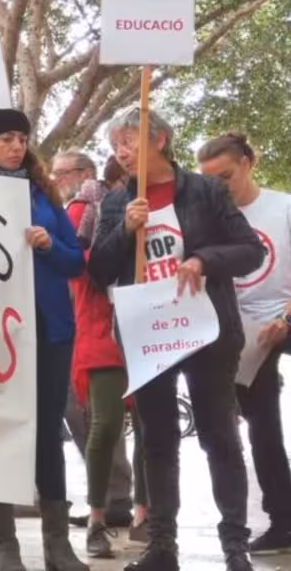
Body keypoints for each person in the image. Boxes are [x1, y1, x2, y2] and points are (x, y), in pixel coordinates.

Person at [89, 109, 262, 571]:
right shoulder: (116, 202)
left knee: (219, 436)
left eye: (129, 142)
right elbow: (99, 271)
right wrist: (125, 230)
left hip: (206, 330)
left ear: (159, 139)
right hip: (148, 334)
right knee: (157, 440)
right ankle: (161, 545)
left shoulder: (205, 191)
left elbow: (250, 250)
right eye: (115, 146)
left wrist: (203, 260)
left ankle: (235, 546)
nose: (122, 153)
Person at [0, 109, 87, 571]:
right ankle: (4, 545)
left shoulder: (44, 193)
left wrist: (48, 245)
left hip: (50, 328)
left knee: (47, 434)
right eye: (5, 139)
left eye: (21, 138)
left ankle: (58, 545)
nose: (16, 146)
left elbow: (76, 261)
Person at [197, 132, 291, 556]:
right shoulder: (211, 219)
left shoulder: (283, 208)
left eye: (226, 176)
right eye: (210, 180)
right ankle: (283, 520)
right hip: (242, 334)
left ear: (248, 164)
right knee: (261, 428)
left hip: (284, 316)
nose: (220, 186)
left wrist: (286, 319)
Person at [53, 151, 144, 558]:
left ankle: (143, 515)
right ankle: (98, 517)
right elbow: (76, 265)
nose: (58, 180)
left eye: (63, 173)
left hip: (145, 325)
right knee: (103, 425)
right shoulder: (82, 209)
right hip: (98, 326)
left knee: (148, 427)